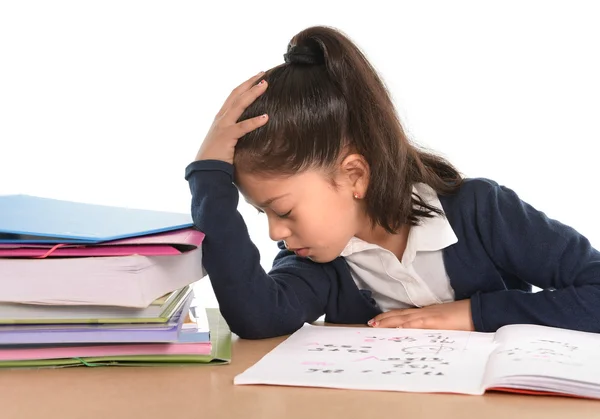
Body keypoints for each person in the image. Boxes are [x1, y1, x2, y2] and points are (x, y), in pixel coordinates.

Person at [185, 25, 600, 339]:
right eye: (262, 213)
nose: (276, 232)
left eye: (284, 210)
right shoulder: (320, 262)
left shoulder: (481, 212)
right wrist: (208, 174)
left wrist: (472, 314)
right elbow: (257, 317)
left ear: (354, 175)